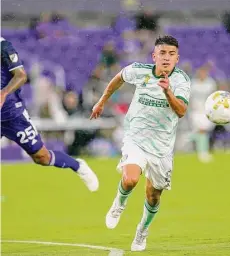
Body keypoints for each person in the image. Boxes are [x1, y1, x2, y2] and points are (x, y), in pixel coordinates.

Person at [90, 36, 191, 251]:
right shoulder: (139, 70)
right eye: (162, 53)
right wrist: (101, 101)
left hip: (162, 148)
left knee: (153, 196)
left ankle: (142, 231)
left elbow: (181, 111)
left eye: (171, 54)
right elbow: (118, 78)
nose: (166, 58)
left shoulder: (181, 81)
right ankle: (119, 203)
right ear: (154, 56)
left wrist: (167, 91)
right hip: (136, 138)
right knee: (130, 179)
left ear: (177, 58)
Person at [0, 37, 99, 192]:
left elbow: (21, 76)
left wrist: (4, 93)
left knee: (42, 157)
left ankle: (77, 165)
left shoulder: (3, 46)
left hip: (12, 115)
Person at [189, 66, 217, 163]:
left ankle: (201, 151)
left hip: (206, 111)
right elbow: (189, 98)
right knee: (201, 131)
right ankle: (202, 153)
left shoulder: (210, 83)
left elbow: (214, 97)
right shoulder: (193, 84)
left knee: (202, 132)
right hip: (195, 112)